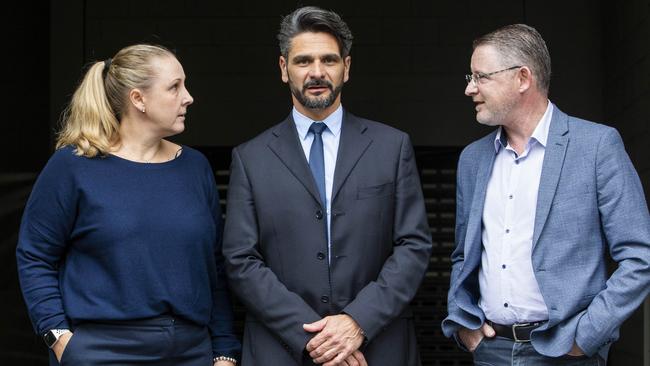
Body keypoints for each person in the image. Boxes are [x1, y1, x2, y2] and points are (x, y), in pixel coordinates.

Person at [222, 6, 432, 366]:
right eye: (303, 61)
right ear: (283, 68)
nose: (316, 72)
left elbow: (413, 245)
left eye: (329, 60)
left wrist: (357, 322)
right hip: (283, 349)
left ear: (346, 68)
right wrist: (315, 336)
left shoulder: (391, 147)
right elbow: (240, 259)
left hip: (377, 347)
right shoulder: (250, 158)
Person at [16, 44, 240, 366]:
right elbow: (34, 255)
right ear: (138, 99)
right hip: (100, 352)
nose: (188, 97)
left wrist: (223, 352)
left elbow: (215, 268)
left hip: (190, 352)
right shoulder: (73, 166)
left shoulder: (195, 167)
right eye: (175, 86)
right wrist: (59, 337)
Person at [442, 24, 650, 365]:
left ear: (523, 78)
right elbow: (463, 256)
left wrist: (587, 336)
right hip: (490, 349)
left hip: (566, 353)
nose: (469, 88)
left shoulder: (597, 146)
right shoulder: (472, 159)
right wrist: (465, 324)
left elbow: (640, 257)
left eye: (480, 76)